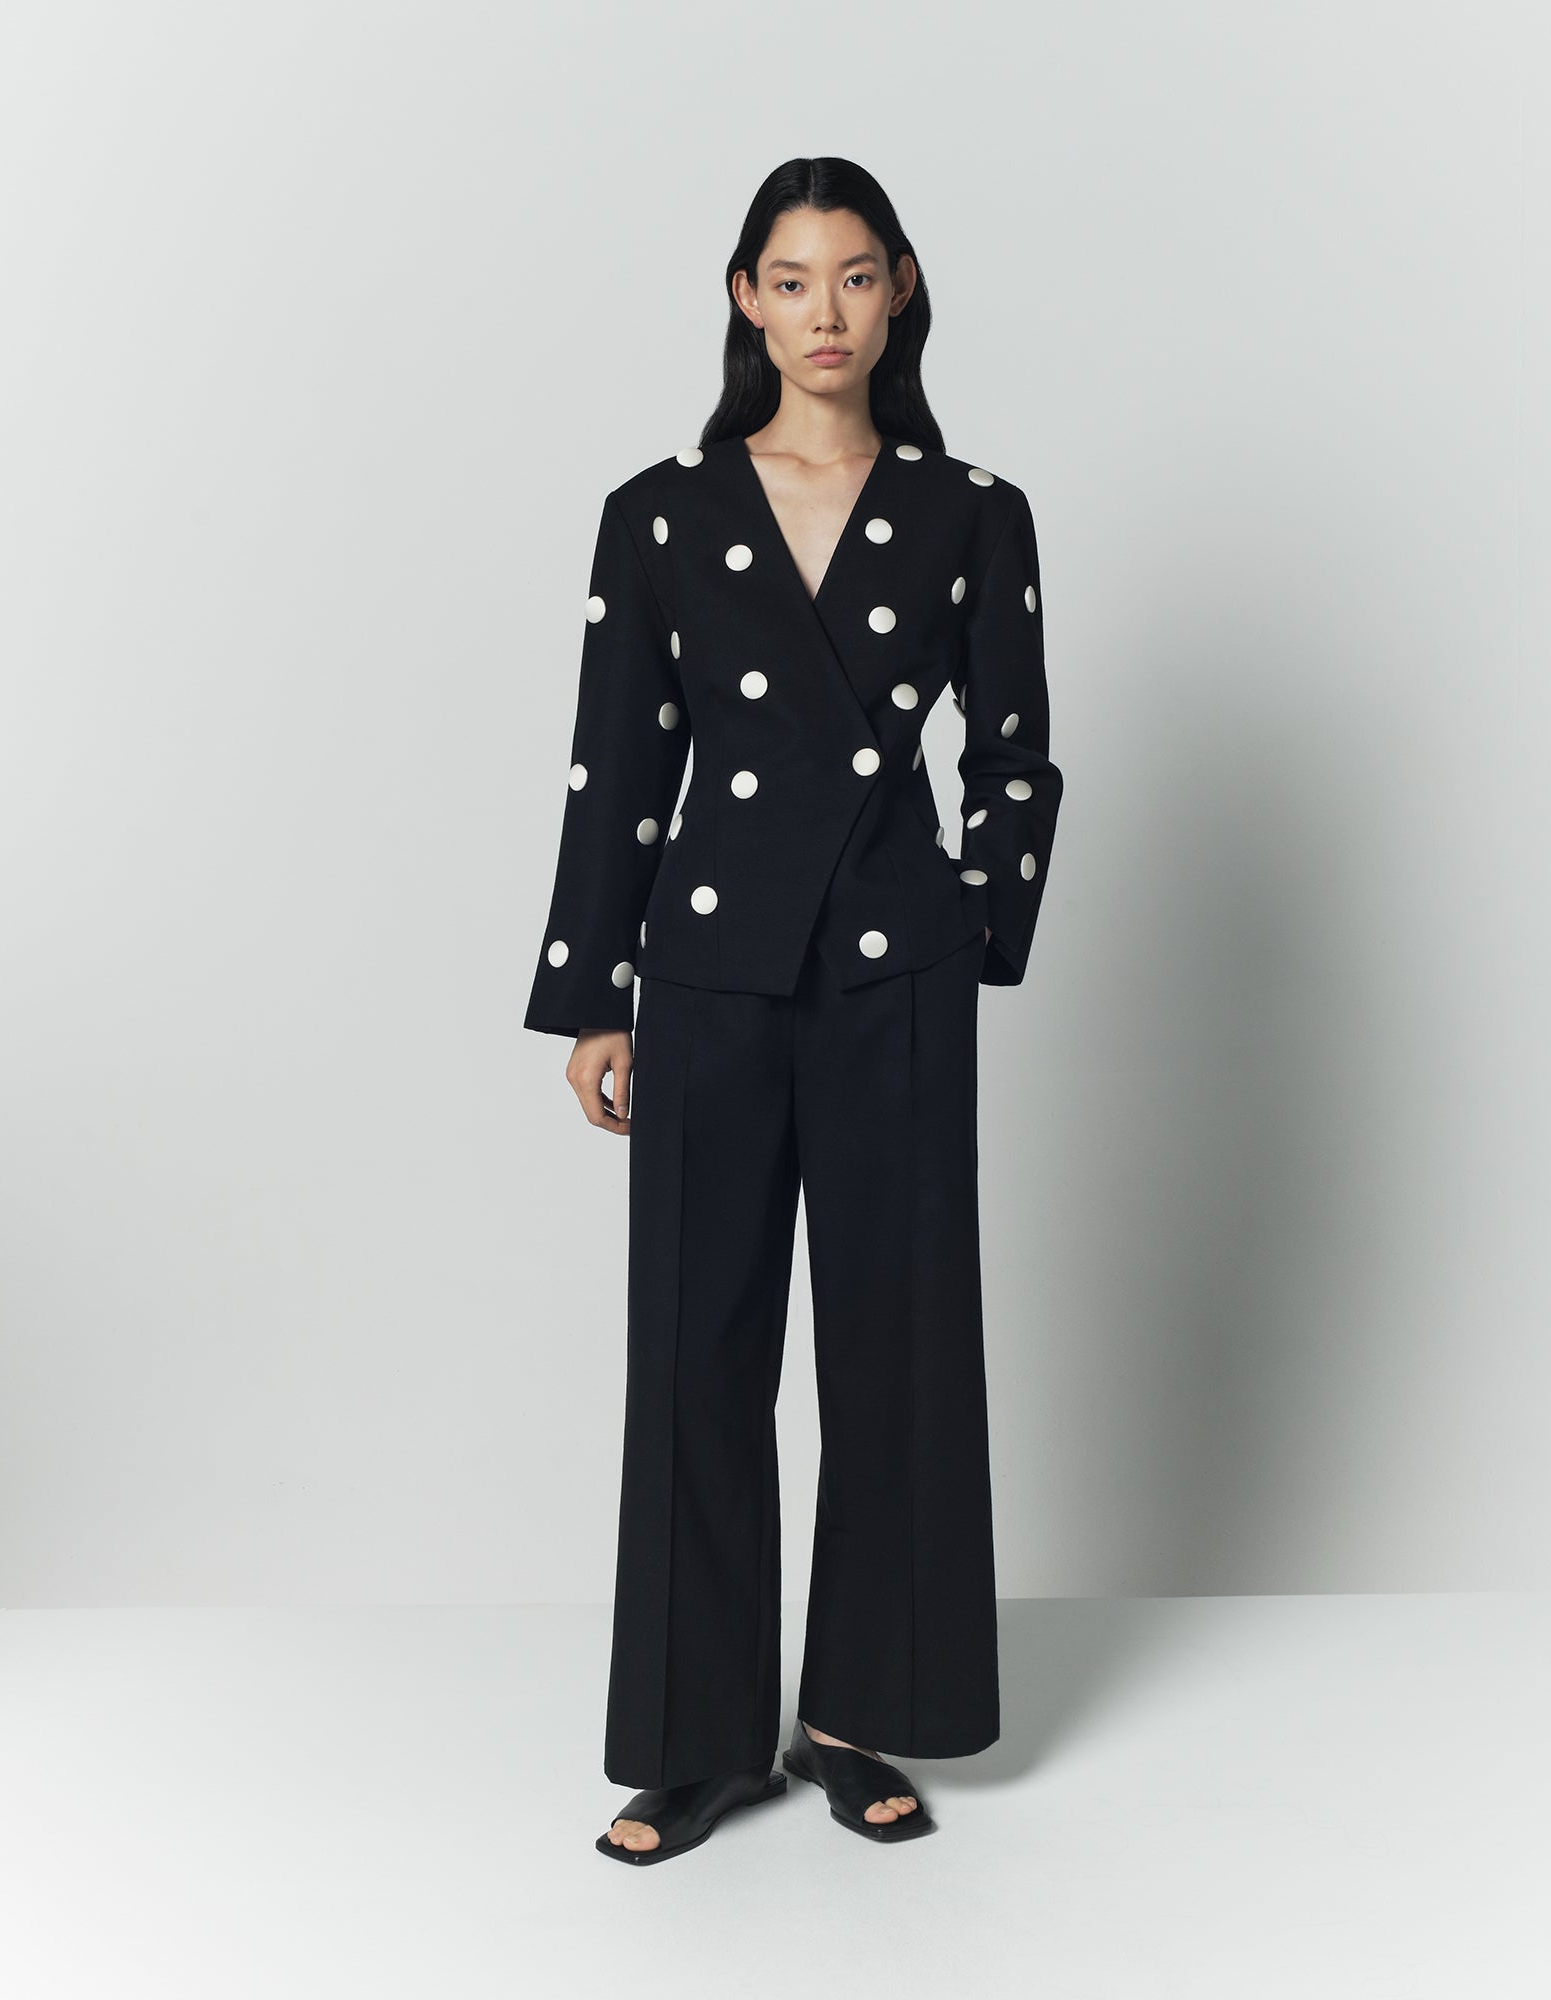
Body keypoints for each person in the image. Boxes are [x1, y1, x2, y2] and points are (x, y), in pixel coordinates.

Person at [523, 156, 1064, 1865]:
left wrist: (974, 929)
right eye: (789, 277)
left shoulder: (973, 508)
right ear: (744, 299)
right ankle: (696, 1741)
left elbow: (1017, 756)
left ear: (898, 290)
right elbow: (618, 773)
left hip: (893, 974)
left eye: (853, 276)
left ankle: (853, 1712)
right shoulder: (661, 513)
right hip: (705, 973)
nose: (823, 311)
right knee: (697, 1352)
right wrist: (594, 997)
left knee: (898, 1352)